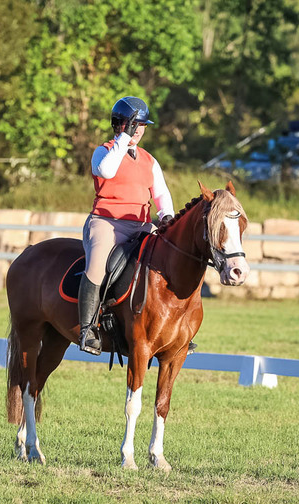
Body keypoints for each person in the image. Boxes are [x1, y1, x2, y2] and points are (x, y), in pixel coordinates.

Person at [78, 96, 175, 355]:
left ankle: (173, 328)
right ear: (119, 125)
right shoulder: (104, 151)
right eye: (133, 125)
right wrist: (123, 139)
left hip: (141, 224)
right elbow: (107, 171)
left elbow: (161, 193)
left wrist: (166, 214)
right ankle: (87, 329)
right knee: (98, 264)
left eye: (141, 126)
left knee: (170, 257)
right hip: (107, 224)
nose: (138, 131)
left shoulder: (149, 160)